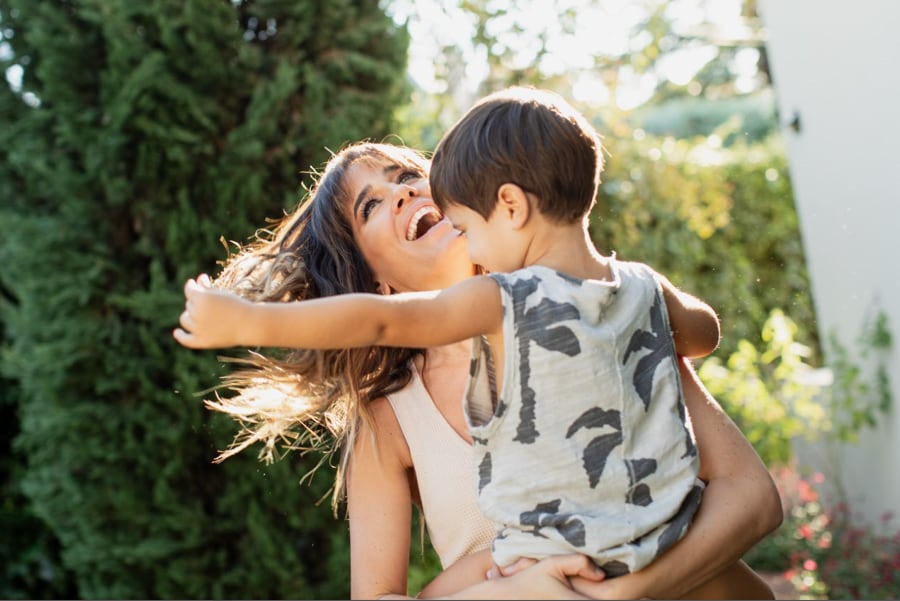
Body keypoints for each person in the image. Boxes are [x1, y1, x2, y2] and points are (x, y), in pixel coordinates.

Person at [175, 133, 781, 599]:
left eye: (409, 176)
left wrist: (626, 591)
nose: (405, 193)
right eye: (373, 205)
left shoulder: (592, 308)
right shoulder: (391, 424)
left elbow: (753, 500)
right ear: (377, 286)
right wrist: (512, 590)